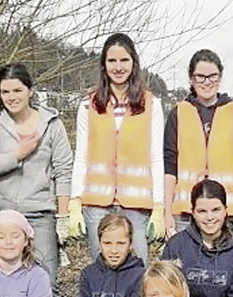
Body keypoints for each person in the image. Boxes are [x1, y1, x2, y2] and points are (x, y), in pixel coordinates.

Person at [69, 33, 164, 262]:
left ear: (134, 63)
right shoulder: (89, 105)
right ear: (104, 65)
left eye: (124, 60)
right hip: (96, 205)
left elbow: (156, 158)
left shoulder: (151, 104)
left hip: (136, 206)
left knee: (137, 269)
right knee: (102, 269)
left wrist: (159, 205)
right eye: (112, 61)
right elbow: (81, 156)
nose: (118, 67)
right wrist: (75, 200)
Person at [0, 63, 72, 280]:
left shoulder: (52, 125)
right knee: (4, 279)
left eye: (17, 90)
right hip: (2, 213)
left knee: (45, 279)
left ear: (30, 91)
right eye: (5, 92)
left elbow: (63, 170)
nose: (11, 97)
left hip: (40, 214)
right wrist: (15, 156)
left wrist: (63, 217)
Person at [162, 49, 233, 239]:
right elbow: (169, 165)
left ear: (220, 77)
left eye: (213, 76)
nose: (207, 82)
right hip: (186, 212)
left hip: (227, 212)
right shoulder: (178, 113)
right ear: (191, 79)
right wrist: (167, 211)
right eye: (201, 76)